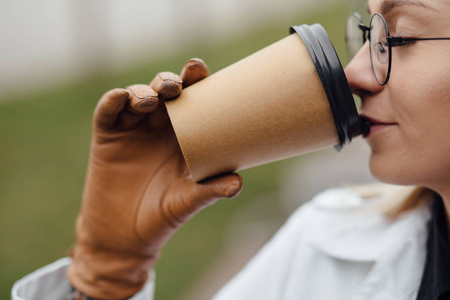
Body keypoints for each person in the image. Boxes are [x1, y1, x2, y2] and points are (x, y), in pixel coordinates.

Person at [12, 0, 450, 299]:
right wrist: (106, 274)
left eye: (401, 39)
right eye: (368, 36)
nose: (354, 73)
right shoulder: (319, 250)